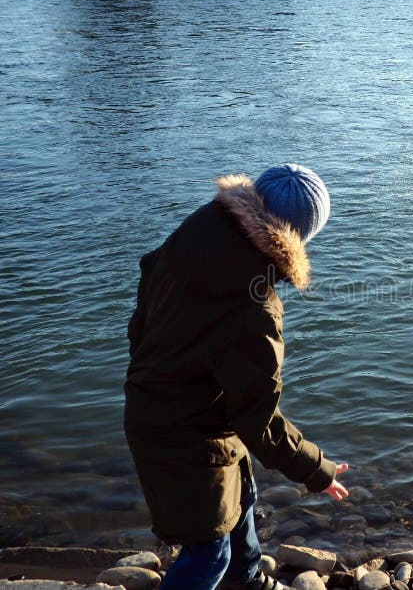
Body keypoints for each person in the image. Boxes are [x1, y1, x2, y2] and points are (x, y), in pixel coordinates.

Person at [125, 164, 348, 590]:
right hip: (181, 434)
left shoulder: (195, 235)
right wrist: (316, 469)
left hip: (166, 405)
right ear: (297, 238)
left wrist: (160, 366)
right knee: (208, 554)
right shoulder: (255, 311)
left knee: (241, 496)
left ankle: (248, 582)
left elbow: (143, 316)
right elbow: (258, 422)